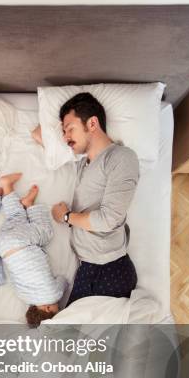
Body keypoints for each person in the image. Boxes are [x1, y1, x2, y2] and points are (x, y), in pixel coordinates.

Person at [51, 92, 139, 305]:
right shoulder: (83, 165)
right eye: (63, 132)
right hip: (89, 269)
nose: (65, 137)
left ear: (92, 123)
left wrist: (66, 217)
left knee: (71, 336)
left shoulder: (120, 157)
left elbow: (109, 219)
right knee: (67, 335)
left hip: (109, 268)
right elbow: (40, 136)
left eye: (70, 129)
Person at [0, 173, 66, 327]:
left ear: (48, 309)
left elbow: (62, 281)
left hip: (22, 244)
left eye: (57, 309)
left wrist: (60, 292)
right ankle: (7, 186)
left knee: (45, 234)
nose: (58, 306)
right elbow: (14, 278)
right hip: (4, 248)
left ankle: (31, 206)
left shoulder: (53, 295)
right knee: (15, 217)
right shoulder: (24, 297)